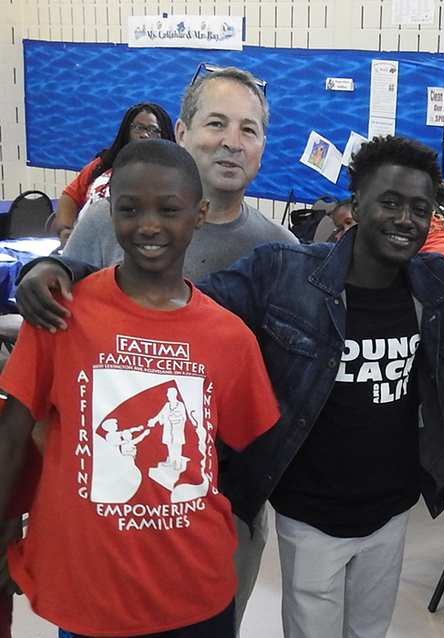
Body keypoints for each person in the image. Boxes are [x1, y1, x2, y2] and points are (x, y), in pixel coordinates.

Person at [15, 136, 444, 638]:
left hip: (393, 506)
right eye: (389, 203)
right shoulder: (285, 272)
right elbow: (167, 293)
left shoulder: (436, 286)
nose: (404, 219)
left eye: (420, 209)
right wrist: (63, 267)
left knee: (371, 631)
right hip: (310, 508)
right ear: (356, 205)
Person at [0, 139, 279, 637]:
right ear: (109, 213)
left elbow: (245, 452)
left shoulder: (230, 337)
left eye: (168, 210)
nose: (149, 225)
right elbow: (13, 437)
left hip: (194, 586)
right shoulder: (61, 314)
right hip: (91, 589)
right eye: (130, 209)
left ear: (198, 214)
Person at [61, 66, 297, 282]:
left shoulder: (283, 252)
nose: (233, 143)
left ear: (262, 148)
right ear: (182, 134)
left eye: (248, 130)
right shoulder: (107, 221)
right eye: (216, 124)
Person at [52, 102, 175, 244]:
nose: (144, 135)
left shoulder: (171, 175)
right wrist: (64, 229)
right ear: (126, 131)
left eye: (153, 130)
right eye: (138, 128)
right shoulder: (101, 165)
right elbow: (70, 196)